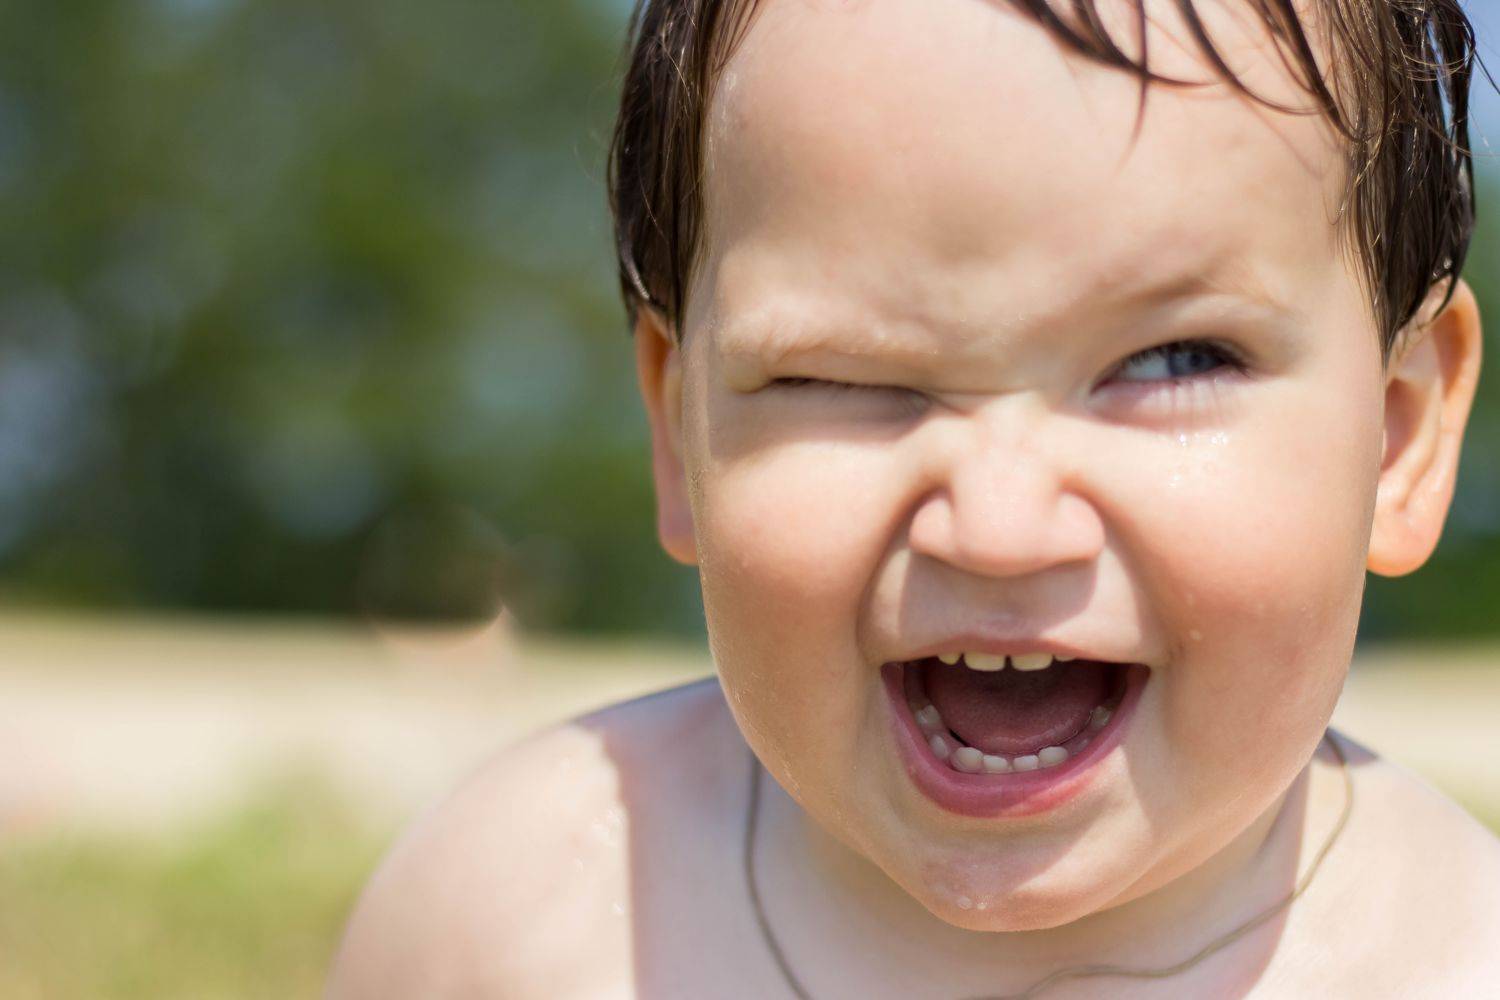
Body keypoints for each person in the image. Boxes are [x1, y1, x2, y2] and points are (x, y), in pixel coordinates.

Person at [327, 0, 1500, 995]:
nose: (997, 527)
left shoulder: (1455, 958)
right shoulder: (521, 918)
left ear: (1396, 437)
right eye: (839, 377)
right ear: (683, 436)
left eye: (1173, 360)